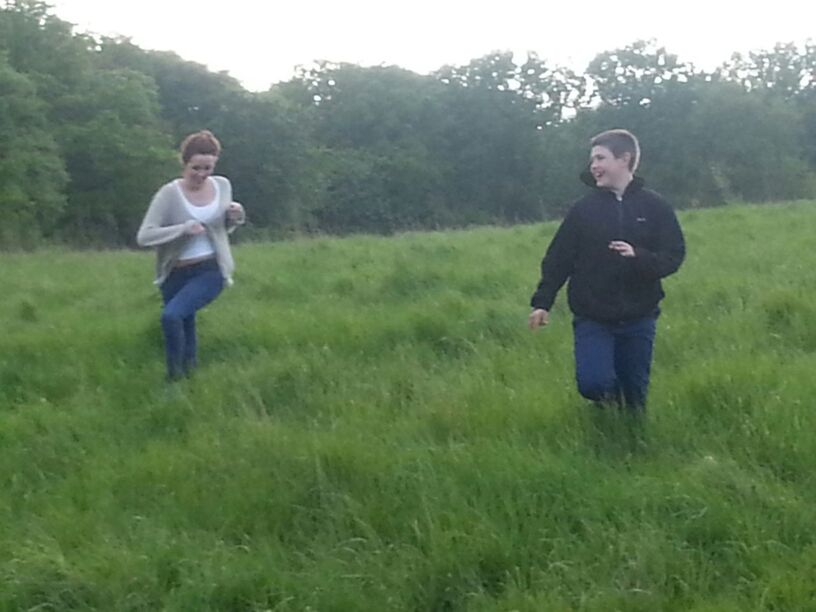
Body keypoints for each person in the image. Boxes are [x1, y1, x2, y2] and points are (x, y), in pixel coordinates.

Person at [528, 129, 685, 411]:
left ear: (624, 159)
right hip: (593, 318)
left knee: (635, 399)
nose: (594, 166)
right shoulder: (583, 210)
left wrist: (638, 256)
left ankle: (626, 440)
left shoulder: (655, 207)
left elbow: (673, 256)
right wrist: (543, 303)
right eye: (592, 160)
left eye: (601, 158)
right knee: (594, 384)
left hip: (640, 318)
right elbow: (558, 259)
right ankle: (604, 408)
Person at [137, 130, 245, 381]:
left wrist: (235, 216)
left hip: (210, 269)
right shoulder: (168, 194)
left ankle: (173, 379)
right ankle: (190, 377)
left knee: (171, 316)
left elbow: (222, 228)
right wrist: (183, 229)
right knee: (185, 322)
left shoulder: (223, 185)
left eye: (208, 167)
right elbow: (144, 236)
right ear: (184, 163)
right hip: (174, 273)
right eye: (196, 168)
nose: (202, 174)